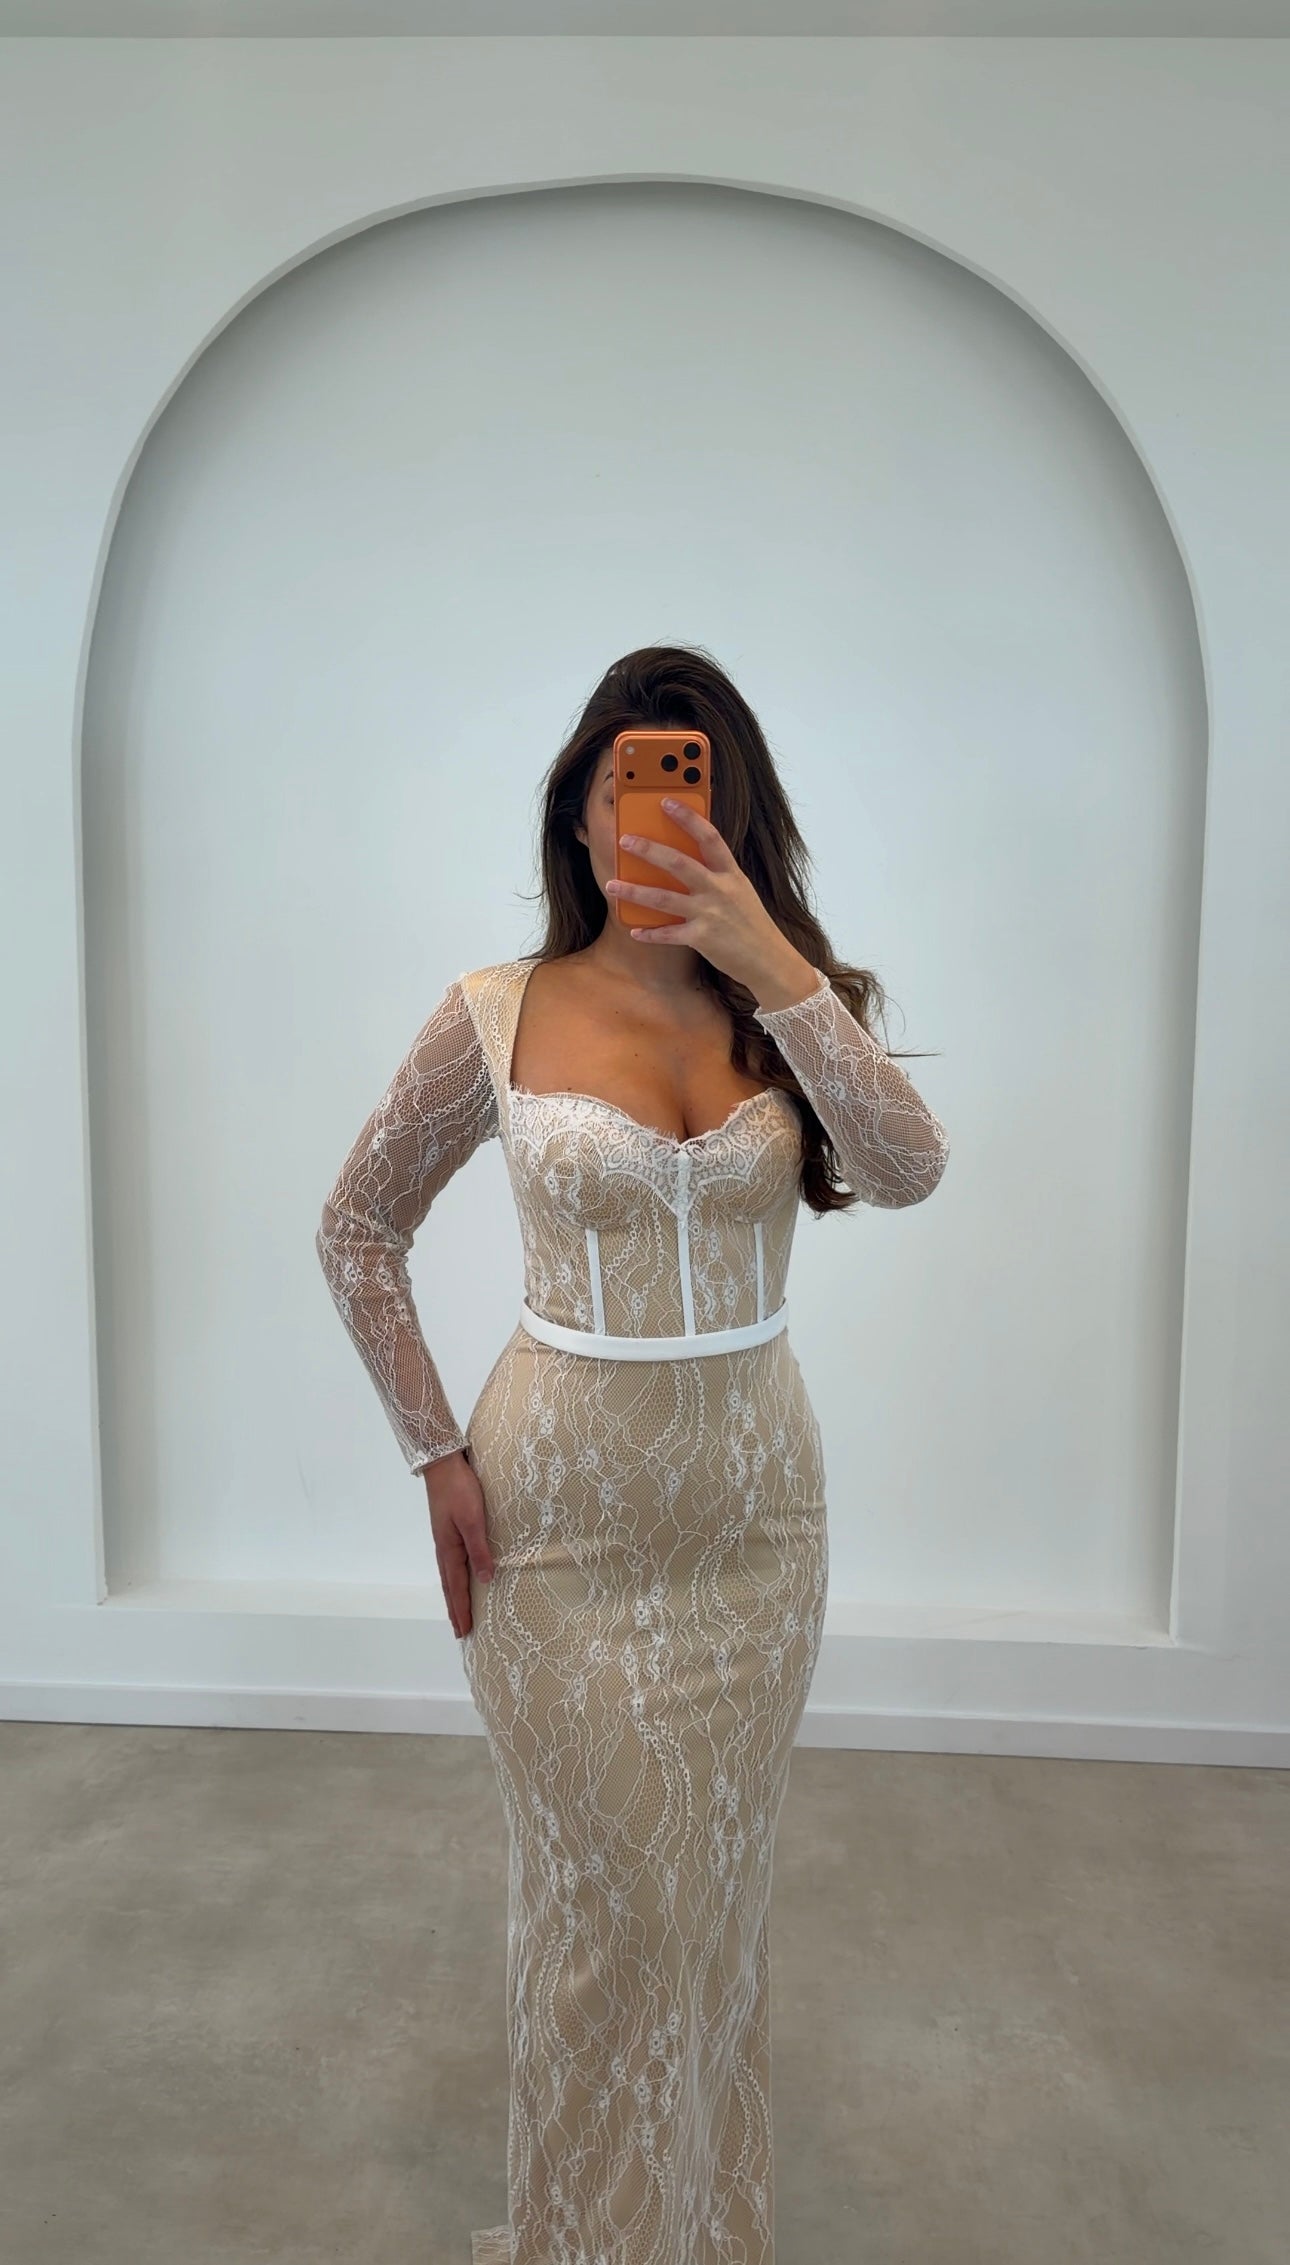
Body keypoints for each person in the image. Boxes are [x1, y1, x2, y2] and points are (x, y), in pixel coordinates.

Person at [315, 645, 950, 2265]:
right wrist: (435, 1451)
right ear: (578, 815)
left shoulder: (786, 1012)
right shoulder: (496, 1012)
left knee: (713, 1918)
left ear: (731, 818)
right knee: (616, 1915)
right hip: (558, 1534)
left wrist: (766, 956)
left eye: (680, 790)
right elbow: (357, 1225)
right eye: (617, 789)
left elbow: (908, 1166)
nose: (641, 819)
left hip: (757, 1530)